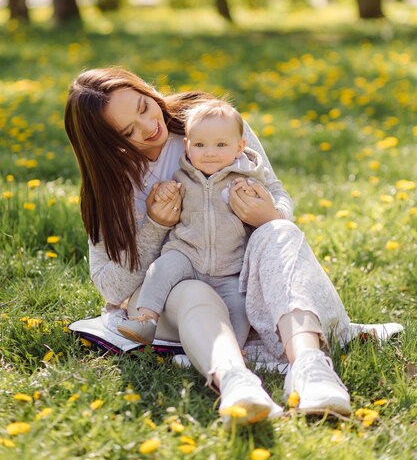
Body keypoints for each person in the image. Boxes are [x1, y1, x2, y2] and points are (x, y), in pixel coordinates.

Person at [64, 67, 352, 427]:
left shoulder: (210, 122)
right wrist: (156, 226)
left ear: (147, 90)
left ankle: (311, 369)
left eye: (143, 107)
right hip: (168, 297)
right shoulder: (110, 185)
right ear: (107, 143)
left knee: (280, 232)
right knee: (190, 287)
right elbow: (109, 286)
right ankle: (235, 382)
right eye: (127, 132)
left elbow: (275, 189)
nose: (148, 126)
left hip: (239, 277)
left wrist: (271, 213)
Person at [117, 99, 270, 348]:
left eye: (221, 145)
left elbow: (261, 211)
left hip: (230, 266)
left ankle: (234, 347)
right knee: (161, 270)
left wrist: (254, 196)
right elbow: (168, 194)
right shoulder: (182, 177)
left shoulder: (244, 181)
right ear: (187, 147)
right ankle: (145, 318)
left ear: (240, 147)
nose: (210, 152)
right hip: (186, 254)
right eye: (200, 145)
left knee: (239, 308)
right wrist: (164, 192)